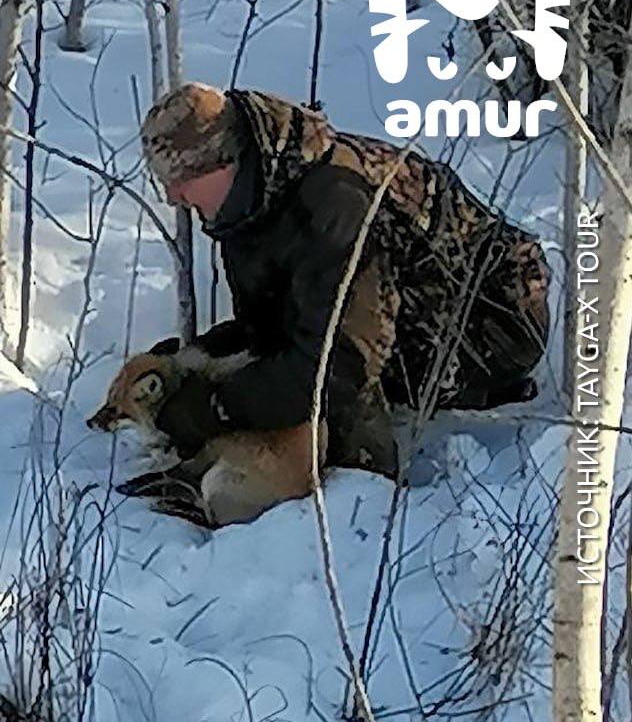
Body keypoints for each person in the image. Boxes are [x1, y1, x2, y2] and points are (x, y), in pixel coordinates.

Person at [138, 83, 551, 478]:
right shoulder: (250, 200)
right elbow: (267, 326)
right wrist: (192, 365)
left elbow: (341, 365)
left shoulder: (333, 202)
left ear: (223, 163)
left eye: (180, 180)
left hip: (497, 324)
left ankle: (364, 492)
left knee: (338, 386)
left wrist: (214, 408)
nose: (174, 196)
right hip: (415, 306)